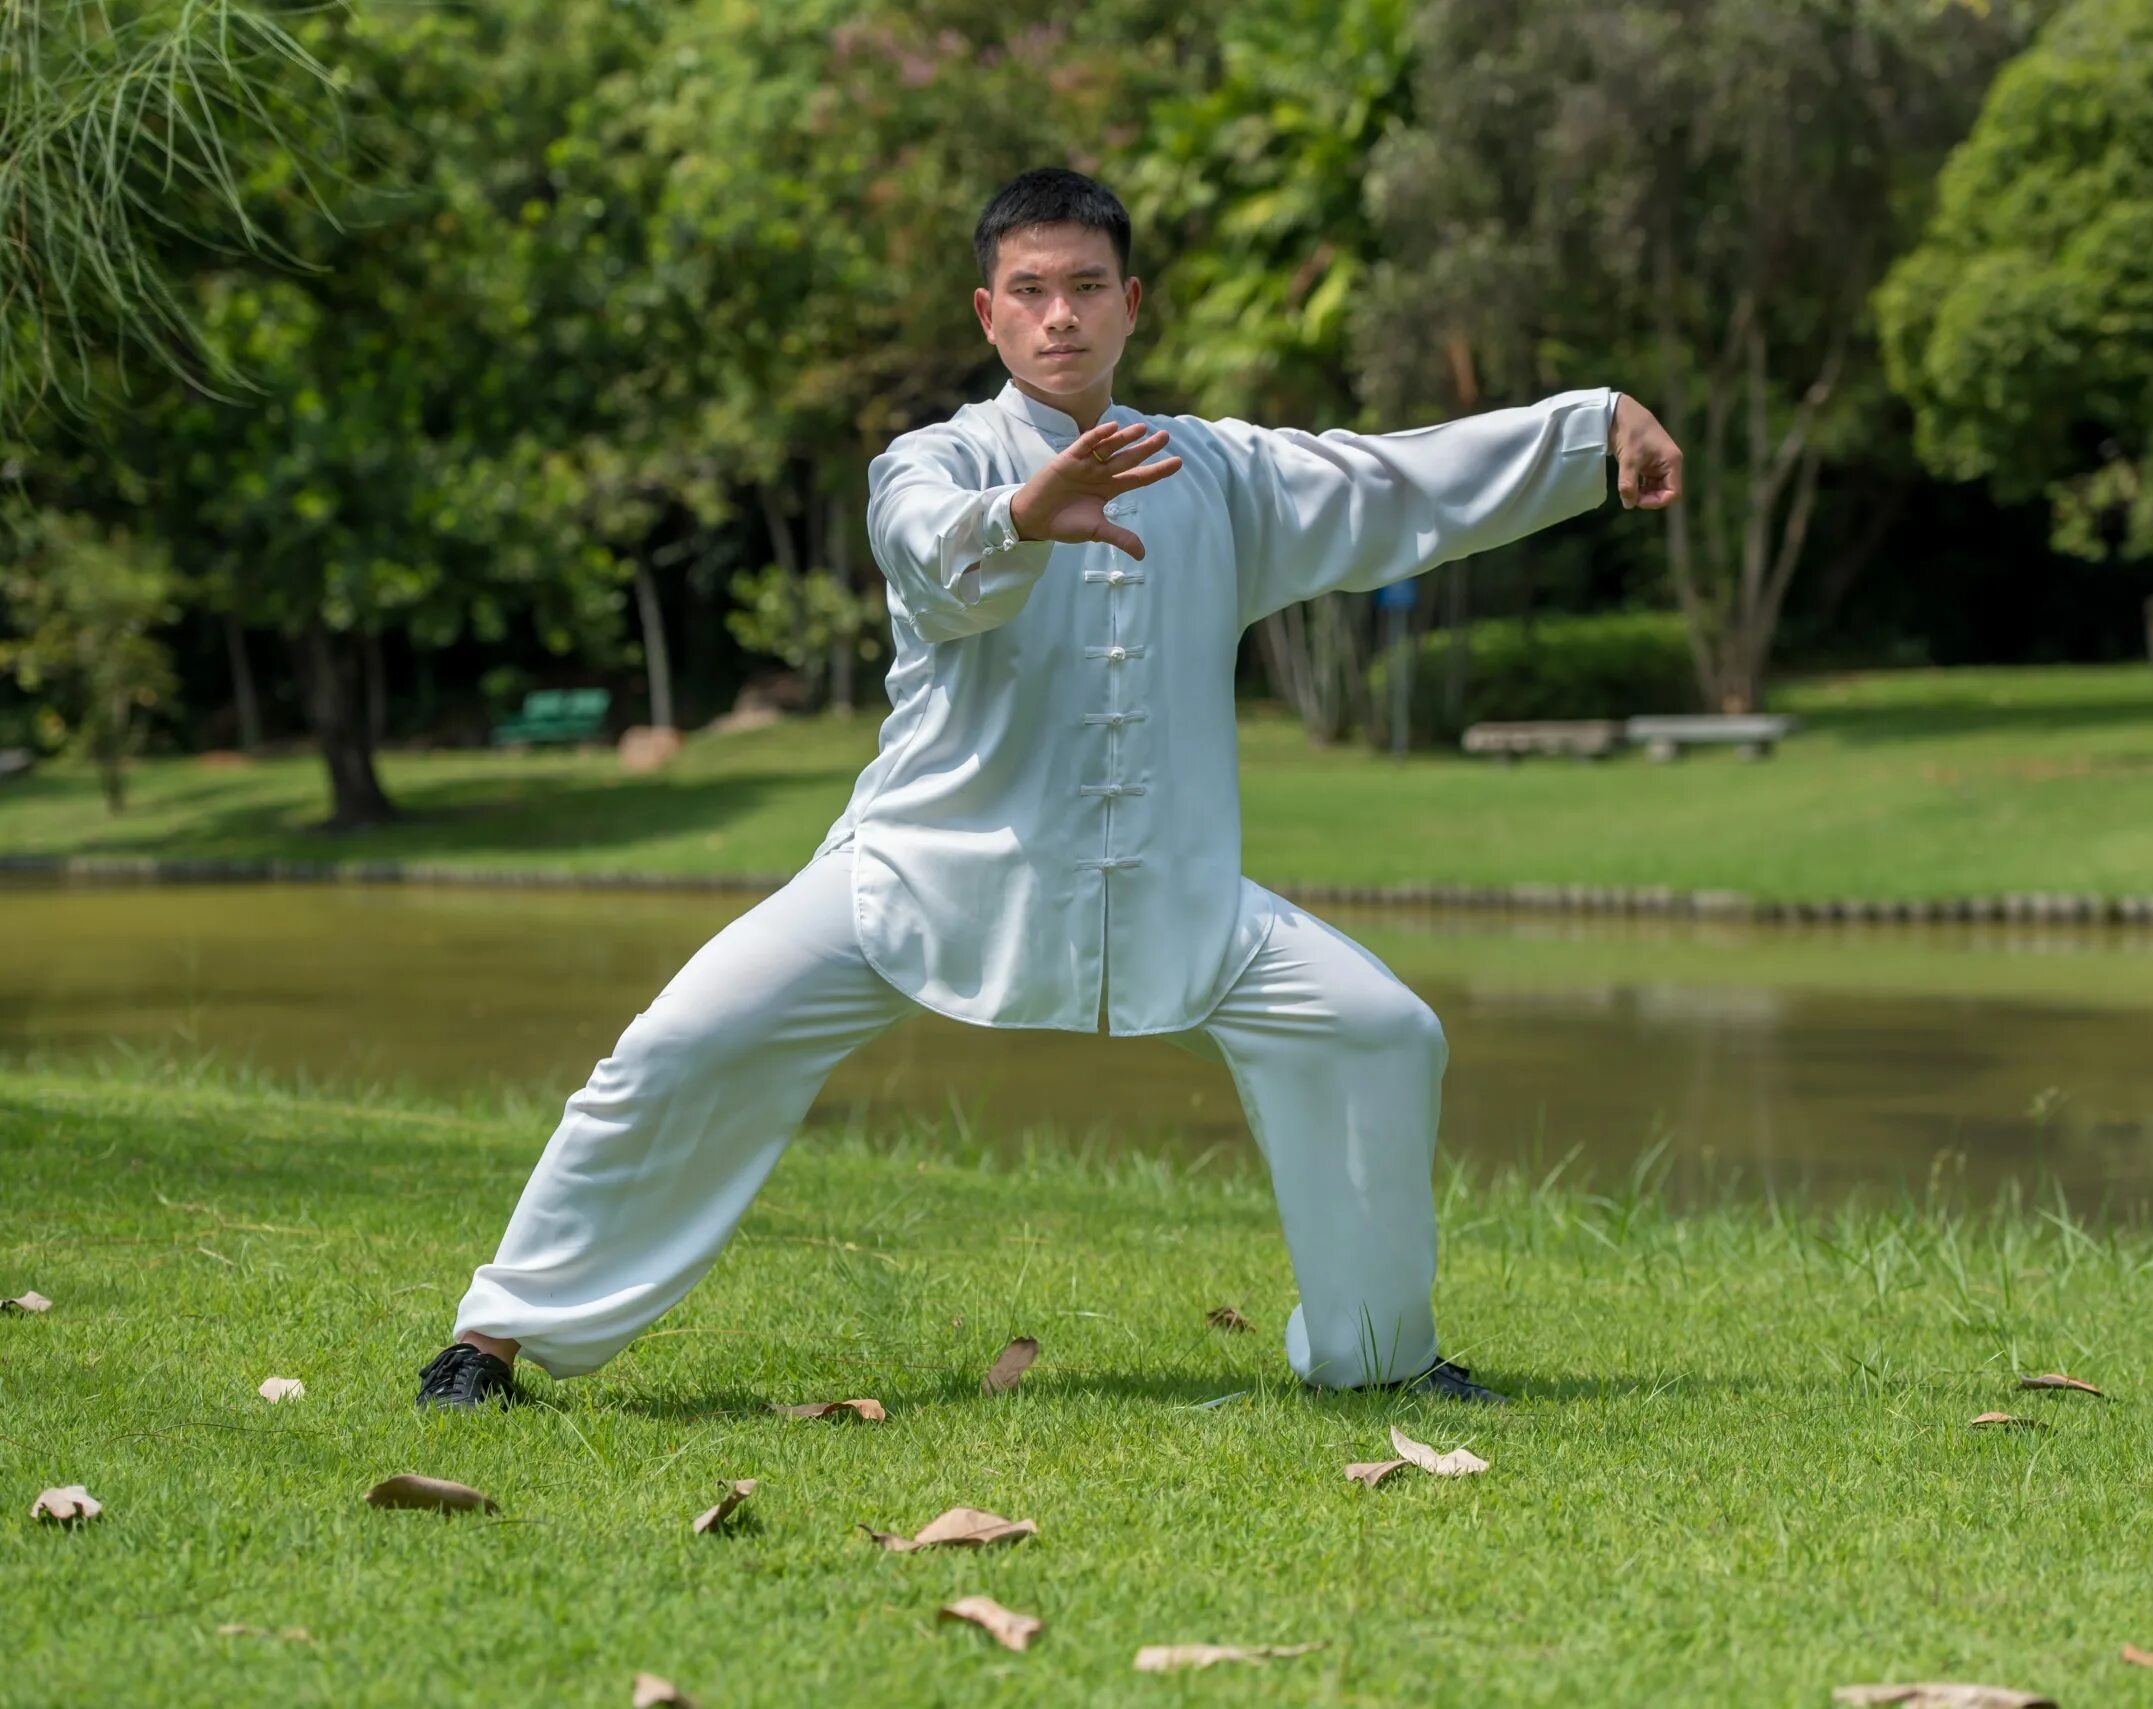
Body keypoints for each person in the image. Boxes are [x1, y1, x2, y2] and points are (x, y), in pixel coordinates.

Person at [415, 166, 1683, 1413]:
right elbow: (927, 551)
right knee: (686, 1041)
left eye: (1086, 286)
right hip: (922, 865)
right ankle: (491, 1340)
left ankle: (1377, 1351)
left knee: (1380, 1030)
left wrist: (1590, 430)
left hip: (1170, 890)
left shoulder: (1216, 469)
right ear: (988, 313)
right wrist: (1024, 514)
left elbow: (1390, 479)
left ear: (1132, 304)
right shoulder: (932, 458)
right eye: (1029, 290)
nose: (1059, 315)